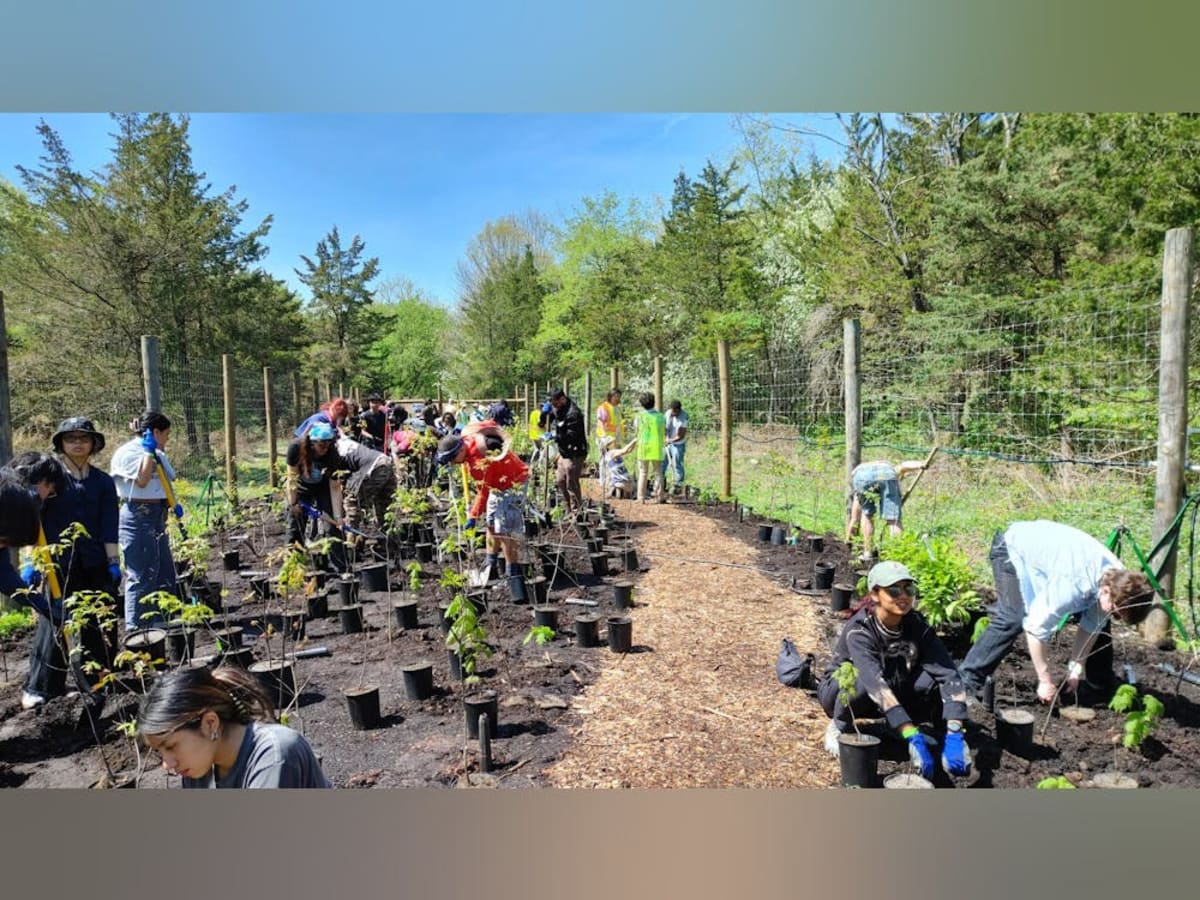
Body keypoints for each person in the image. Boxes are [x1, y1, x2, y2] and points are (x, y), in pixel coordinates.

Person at [958, 521, 1155, 704]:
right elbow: (1035, 629)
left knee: (1101, 627)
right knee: (1013, 618)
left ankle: (1098, 689)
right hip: (1012, 549)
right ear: (1106, 591)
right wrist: (1044, 680)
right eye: (1116, 612)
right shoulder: (1073, 585)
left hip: (1053, 560)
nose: (1115, 615)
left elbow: (1092, 626)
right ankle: (965, 683)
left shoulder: (1120, 582)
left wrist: (1075, 667)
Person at [818, 561, 972, 781]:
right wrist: (912, 735)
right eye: (893, 590)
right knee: (860, 677)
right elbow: (876, 686)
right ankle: (839, 725)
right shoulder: (860, 630)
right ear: (875, 594)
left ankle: (900, 728)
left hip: (891, 685)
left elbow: (948, 674)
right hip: (844, 694)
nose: (903, 596)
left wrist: (955, 732)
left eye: (908, 589)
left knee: (930, 679)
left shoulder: (917, 625)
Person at [23, 419, 121, 709]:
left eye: (83, 438)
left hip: (93, 560)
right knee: (54, 621)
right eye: (70, 438)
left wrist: (113, 561)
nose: (77, 443)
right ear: (61, 443)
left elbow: (109, 524)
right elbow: (34, 520)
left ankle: (97, 679)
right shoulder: (50, 479)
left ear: (93, 444)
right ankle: (40, 687)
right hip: (57, 562)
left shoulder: (102, 482)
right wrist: (32, 559)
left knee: (98, 618)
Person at [137, 665, 331, 788]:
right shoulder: (199, 770)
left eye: (170, 746)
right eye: (159, 752)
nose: (167, 764)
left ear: (210, 723)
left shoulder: (275, 754)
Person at [436, 425, 530, 602]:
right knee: (491, 522)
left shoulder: (478, 462)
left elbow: (483, 493)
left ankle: (513, 575)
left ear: (461, 449)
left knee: (504, 530)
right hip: (498, 485)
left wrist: (472, 516)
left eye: (452, 459)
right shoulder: (468, 439)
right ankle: (491, 565)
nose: (452, 463)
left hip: (513, 483)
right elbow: (489, 423)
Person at [109, 411, 180, 631]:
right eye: (166, 434)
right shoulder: (128, 453)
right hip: (137, 516)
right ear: (155, 432)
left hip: (158, 514)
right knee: (141, 574)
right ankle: (137, 628)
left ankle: (164, 619)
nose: (167, 439)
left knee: (163, 568)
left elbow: (168, 479)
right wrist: (148, 452)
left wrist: (172, 504)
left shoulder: (157, 452)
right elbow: (142, 480)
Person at [285, 421, 348, 567]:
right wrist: (293, 503)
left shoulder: (332, 454)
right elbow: (291, 477)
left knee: (332, 527)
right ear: (311, 443)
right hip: (300, 487)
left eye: (328, 444)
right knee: (295, 524)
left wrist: (338, 517)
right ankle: (292, 567)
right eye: (321, 445)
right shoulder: (296, 448)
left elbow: (334, 487)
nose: (325, 448)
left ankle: (341, 567)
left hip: (323, 487)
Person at [845, 459, 927, 562]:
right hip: (886, 474)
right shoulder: (890, 469)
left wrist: (848, 543)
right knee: (893, 519)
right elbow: (903, 465)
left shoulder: (862, 472)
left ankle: (868, 553)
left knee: (867, 515)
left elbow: (854, 518)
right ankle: (898, 554)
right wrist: (920, 464)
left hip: (861, 477)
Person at [335, 432, 397, 535]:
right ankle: (388, 540)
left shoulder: (335, 450)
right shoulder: (347, 442)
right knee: (384, 505)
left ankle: (351, 540)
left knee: (354, 503)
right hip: (385, 460)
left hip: (373, 468)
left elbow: (339, 480)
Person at [543, 389, 588, 512]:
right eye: (551, 403)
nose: (553, 406)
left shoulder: (574, 414)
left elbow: (571, 436)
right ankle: (568, 508)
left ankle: (577, 511)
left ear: (562, 399)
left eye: (555, 403)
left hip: (575, 452)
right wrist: (544, 414)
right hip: (564, 452)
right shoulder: (557, 408)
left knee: (571, 482)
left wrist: (554, 437)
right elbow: (542, 422)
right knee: (560, 480)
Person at [632, 392, 666, 503]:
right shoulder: (661, 416)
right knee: (658, 472)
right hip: (657, 446)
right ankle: (659, 496)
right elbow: (664, 430)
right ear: (654, 402)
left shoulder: (640, 417)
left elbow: (636, 431)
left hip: (643, 447)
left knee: (643, 472)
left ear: (642, 404)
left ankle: (640, 498)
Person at [662, 399, 688, 495]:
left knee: (677, 464)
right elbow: (664, 427)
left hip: (678, 444)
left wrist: (670, 441)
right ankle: (661, 482)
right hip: (667, 442)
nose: (673, 413)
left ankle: (678, 485)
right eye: (672, 410)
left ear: (679, 410)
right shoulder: (668, 413)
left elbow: (681, 435)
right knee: (663, 462)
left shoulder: (684, 417)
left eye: (675, 411)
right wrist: (665, 438)